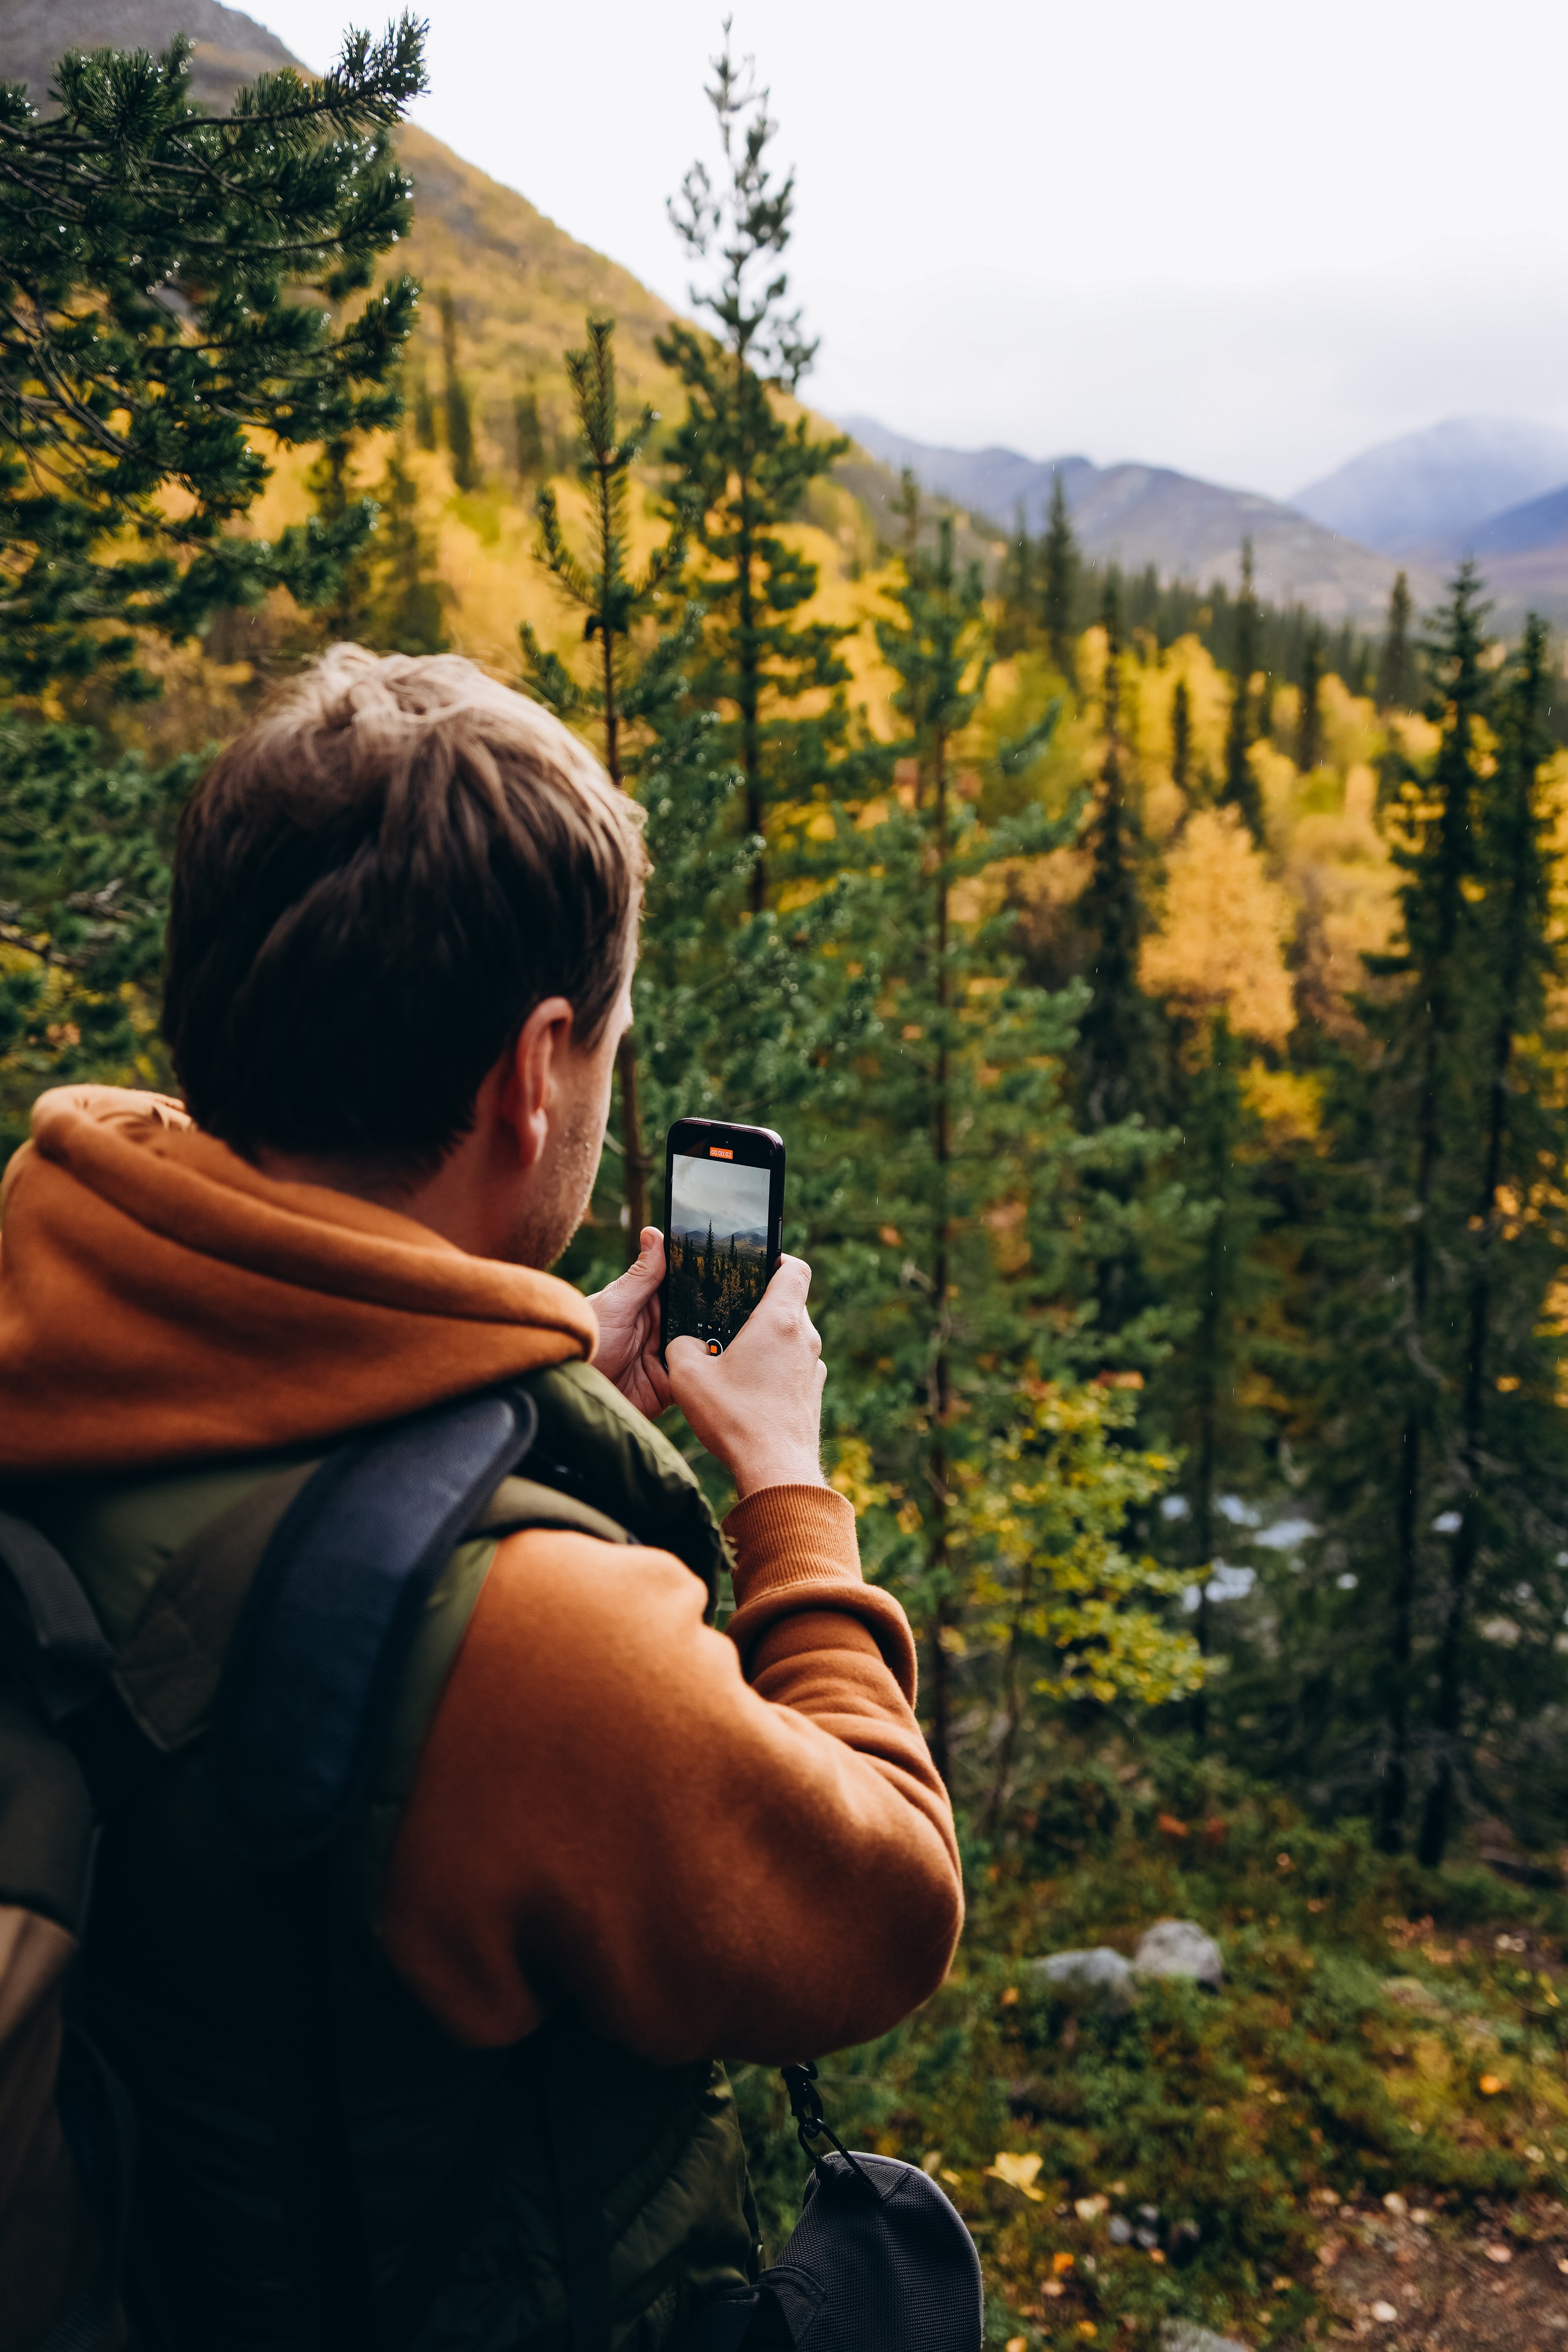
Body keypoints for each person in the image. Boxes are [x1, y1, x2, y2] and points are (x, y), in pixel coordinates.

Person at [0, 647, 963, 2346]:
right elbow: (879, 1915)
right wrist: (789, 1492)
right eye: (603, 1056)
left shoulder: (59, 1332)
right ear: (533, 1076)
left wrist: (513, 1382)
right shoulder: (536, 1642)